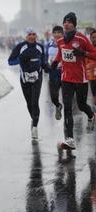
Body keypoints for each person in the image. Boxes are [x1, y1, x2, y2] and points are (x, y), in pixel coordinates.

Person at [50, 12, 96, 149]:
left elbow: (94, 53)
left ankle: (91, 116)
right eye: (65, 22)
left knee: (81, 105)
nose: (66, 24)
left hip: (80, 79)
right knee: (68, 108)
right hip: (66, 79)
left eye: (69, 22)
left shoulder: (81, 39)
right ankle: (70, 139)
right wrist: (55, 62)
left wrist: (84, 53)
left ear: (74, 25)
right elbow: (60, 53)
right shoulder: (60, 41)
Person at [8, 27, 49, 140]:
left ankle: (35, 127)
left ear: (36, 36)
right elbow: (10, 61)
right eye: (29, 34)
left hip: (37, 78)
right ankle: (34, 119)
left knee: (35, 102)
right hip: (25, 79)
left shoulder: (40, 47)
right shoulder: (20, 47)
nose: (31, 36)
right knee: (29, 103)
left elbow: (43, 61)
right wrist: (21, 59)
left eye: (33, 34)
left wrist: (45, 66)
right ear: (26, 36)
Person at [44, 26, 64, 120]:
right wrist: (46, 66)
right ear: (52, 34)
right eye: (54, 32)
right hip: (53, 75)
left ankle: (67, 122)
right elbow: (45, 58)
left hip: (64, 75)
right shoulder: (49, 45)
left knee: (67, 100)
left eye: (58, 32)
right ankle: (58, 106)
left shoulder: (65, 44)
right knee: (53, 97)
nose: (56, 34)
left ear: (62, 34)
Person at [85, 30, 96, 112]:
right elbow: (84, 65)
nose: (95, 39)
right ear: (91, 39)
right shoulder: (88, 50)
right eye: (93, 38)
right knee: (95, 97)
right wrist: (88, 66)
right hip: (93, 77)